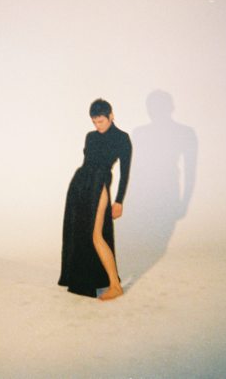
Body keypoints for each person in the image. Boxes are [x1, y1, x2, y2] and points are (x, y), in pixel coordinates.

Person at [58, 98, 132, 300]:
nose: (98, 126)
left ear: (111, 116)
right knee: (79, 232)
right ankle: (89, 279)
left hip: (99, 184)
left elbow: (125, 172)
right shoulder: (90, 137)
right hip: (81, 183)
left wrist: (119, 201)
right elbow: (87, 163)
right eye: (94, 122)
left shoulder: (122, 138)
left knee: (96, 235)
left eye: (101, 121)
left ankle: (115, 286)